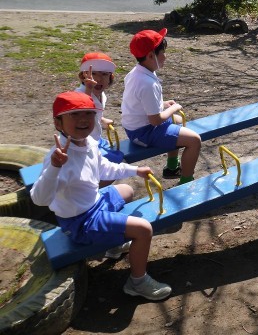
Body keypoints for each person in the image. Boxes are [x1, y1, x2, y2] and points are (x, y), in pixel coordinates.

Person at [30, 91, 172, 301]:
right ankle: (137, 282)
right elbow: (39, 199)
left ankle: (114, 248)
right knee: (144, 229)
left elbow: (104, 167)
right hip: (81, 221)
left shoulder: (87, 142)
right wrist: (54, 167)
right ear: (58, 123)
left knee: (127, 190)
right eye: (74, 114)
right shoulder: (59, 158)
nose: (84, 119)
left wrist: (135, 170)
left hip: (95, 202)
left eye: (89, 113)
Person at [120, 28, 201, 184]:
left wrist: (162, 104)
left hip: (136, 127)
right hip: (143, 133)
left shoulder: (137, 73)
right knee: (194, 140)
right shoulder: (147, 83)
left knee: (178, 121)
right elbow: (156, 120)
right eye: (162, 52)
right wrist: (173, 108)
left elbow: (139, 103)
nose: (165, 56)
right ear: (151, 55)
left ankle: (172, 167)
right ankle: (186, 181)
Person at [75, 52, 124, 168]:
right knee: (116, 163)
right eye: (93, 74)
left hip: (96, 139)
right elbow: (83, 113)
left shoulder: (102, 95)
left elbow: (94, 113)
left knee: (118, 155)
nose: (98, 79)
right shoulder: (78, 96)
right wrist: (88, 89)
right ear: (83, 77)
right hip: (82, 145)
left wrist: (101, 119)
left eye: (104, 74)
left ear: (110, 78)